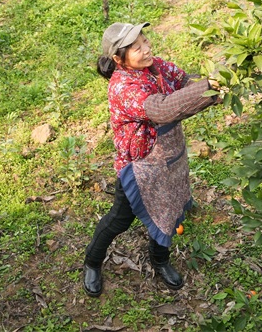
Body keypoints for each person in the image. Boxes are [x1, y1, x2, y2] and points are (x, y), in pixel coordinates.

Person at [83, 21, 221, 297]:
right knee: (120, 220)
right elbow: (161, 109)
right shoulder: (123, 86)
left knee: (169, 211)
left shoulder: (155, 66)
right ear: (118, 59)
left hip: (170, 158)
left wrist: (217, 81)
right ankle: (92, 262)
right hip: (140, 165)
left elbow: (183, 82)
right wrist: (209, 87)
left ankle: (160, 260)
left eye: (145, 41)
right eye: (137, 48)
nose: (147, 49)